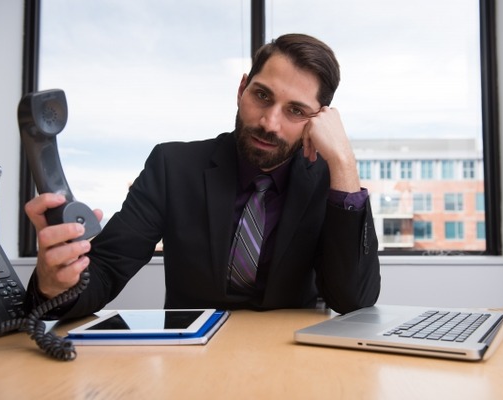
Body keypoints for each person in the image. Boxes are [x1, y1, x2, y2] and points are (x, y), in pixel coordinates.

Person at [24, 33, 381, 319]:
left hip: (292, 362)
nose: (269, 123)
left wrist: (344, 163)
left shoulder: (328, 183)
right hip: (188, 360)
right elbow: (105, 271)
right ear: (242, 89)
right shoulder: (172, 166)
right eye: (261, 95)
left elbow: (353, 301)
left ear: (317, 120)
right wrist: (56, 284)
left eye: (295, 111)